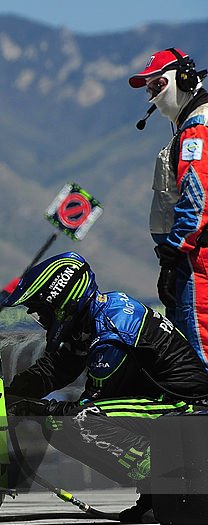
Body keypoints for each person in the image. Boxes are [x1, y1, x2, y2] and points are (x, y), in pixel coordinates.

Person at [3, 252, 208, 522]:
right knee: (58, 422)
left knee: (78, 422)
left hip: (186, 410)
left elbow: (89, 406)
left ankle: (170, 480)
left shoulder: (111, 333)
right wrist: (5, 396)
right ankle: (154, 496)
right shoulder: (96, 316)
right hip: (168, 407)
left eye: (42, 310)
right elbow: (55, 369)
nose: (41, 318)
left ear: (61, 302)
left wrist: (36, 408)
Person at [129, 48, 208, 363]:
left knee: (198, 348)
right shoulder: (191, 124)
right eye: (148, 88)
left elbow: (197, 196)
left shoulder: (197, 128)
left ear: (184, 78)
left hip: (195, 258)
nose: (152, 94)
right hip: (187, 256)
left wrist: (173, 254)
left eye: (157, 84)